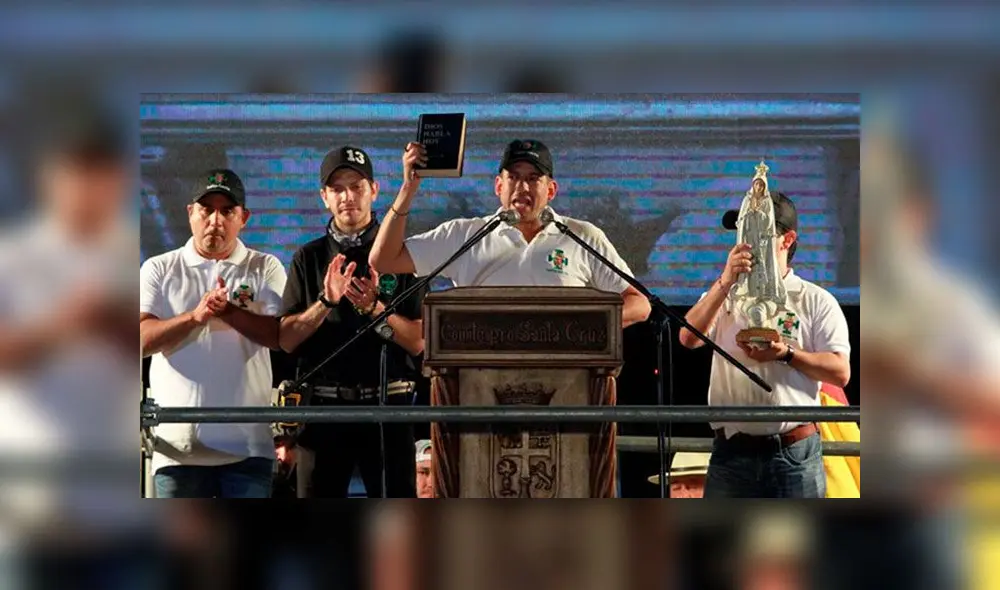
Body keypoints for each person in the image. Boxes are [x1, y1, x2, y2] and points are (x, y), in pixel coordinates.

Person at [368, 139, 651, 328]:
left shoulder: (581, 234)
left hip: (565, 382)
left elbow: (640, 304)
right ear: (498, 186)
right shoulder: (466, 234)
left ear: (550, 190)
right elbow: (384, 260)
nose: (522, 187)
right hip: (481, 382)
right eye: (513, 177)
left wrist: (586, 321)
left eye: (532, 179)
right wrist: (408, 189)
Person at [678, 191, 851, 498]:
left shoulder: (813, 299)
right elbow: (688, 338)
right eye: (743, 231)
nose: (746, 241)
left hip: (792, 453)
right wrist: (725, 280)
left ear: (787, 239)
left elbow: (840, 372)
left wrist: (786, 354)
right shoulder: (726, 293)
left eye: (758, 231)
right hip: (730, 452)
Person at [278, 145, 426, 498]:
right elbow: (286, 340)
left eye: (356, 186)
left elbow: (419, 342)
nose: (348, 197)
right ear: (324, 197)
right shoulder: (308, 257)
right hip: (325, 412)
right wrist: (325, 302)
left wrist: (377, 310)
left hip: (388, 409)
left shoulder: (402, 254)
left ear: (374, 191)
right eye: (337, 188)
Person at [140, 168, 287, 498]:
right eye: (206, 210)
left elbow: (280, 338)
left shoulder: (266, 267)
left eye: (227, 211)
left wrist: (229, 313)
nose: (215, 220)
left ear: (244, 218)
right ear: (190, 213)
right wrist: (195, 316)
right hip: (177, 452)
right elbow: (138, 341)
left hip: (248, 451)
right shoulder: (160, 268)